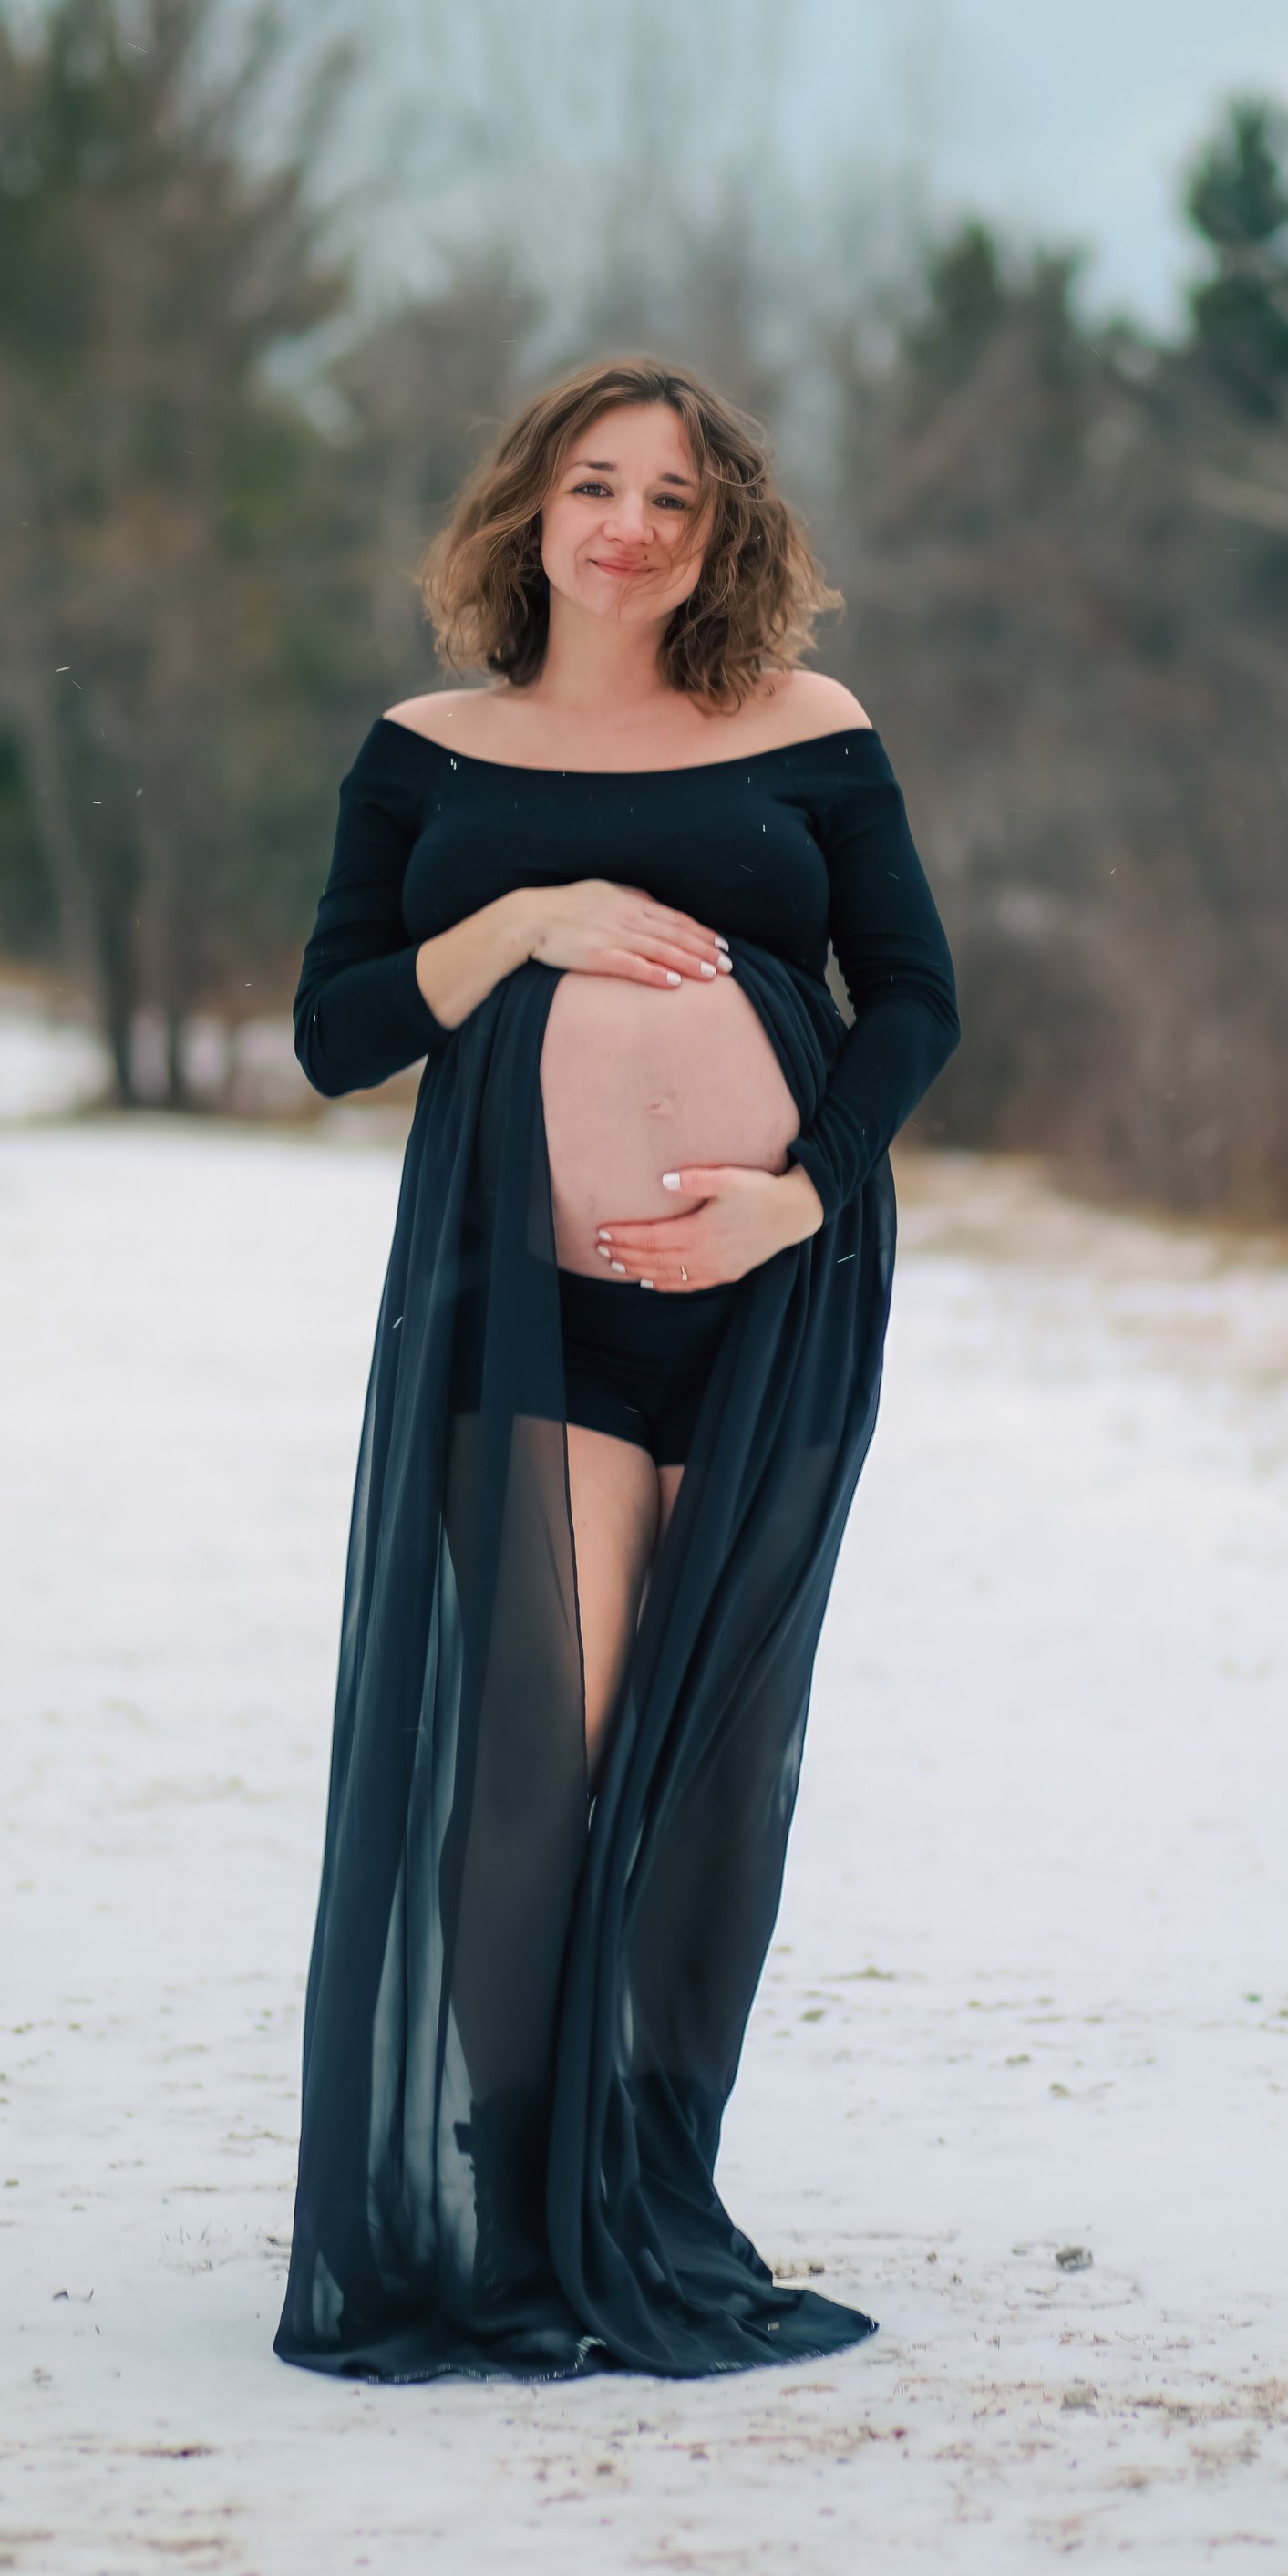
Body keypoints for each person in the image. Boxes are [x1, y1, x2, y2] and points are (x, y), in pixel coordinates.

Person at [273, 356, 958, 2380]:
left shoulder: (807, 729)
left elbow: (912, 996)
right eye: (594, 484)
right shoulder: (433, 753)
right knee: (535, 1757)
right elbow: (336, 1029)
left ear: (721, 532)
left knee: (704, 1771)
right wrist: (524, 922)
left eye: (673, 496)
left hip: (770, 1305)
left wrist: (799, 1198)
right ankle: (513, 2221)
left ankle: (642, 2189)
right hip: (527, 1313)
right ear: (530, 508)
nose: (629, 527)